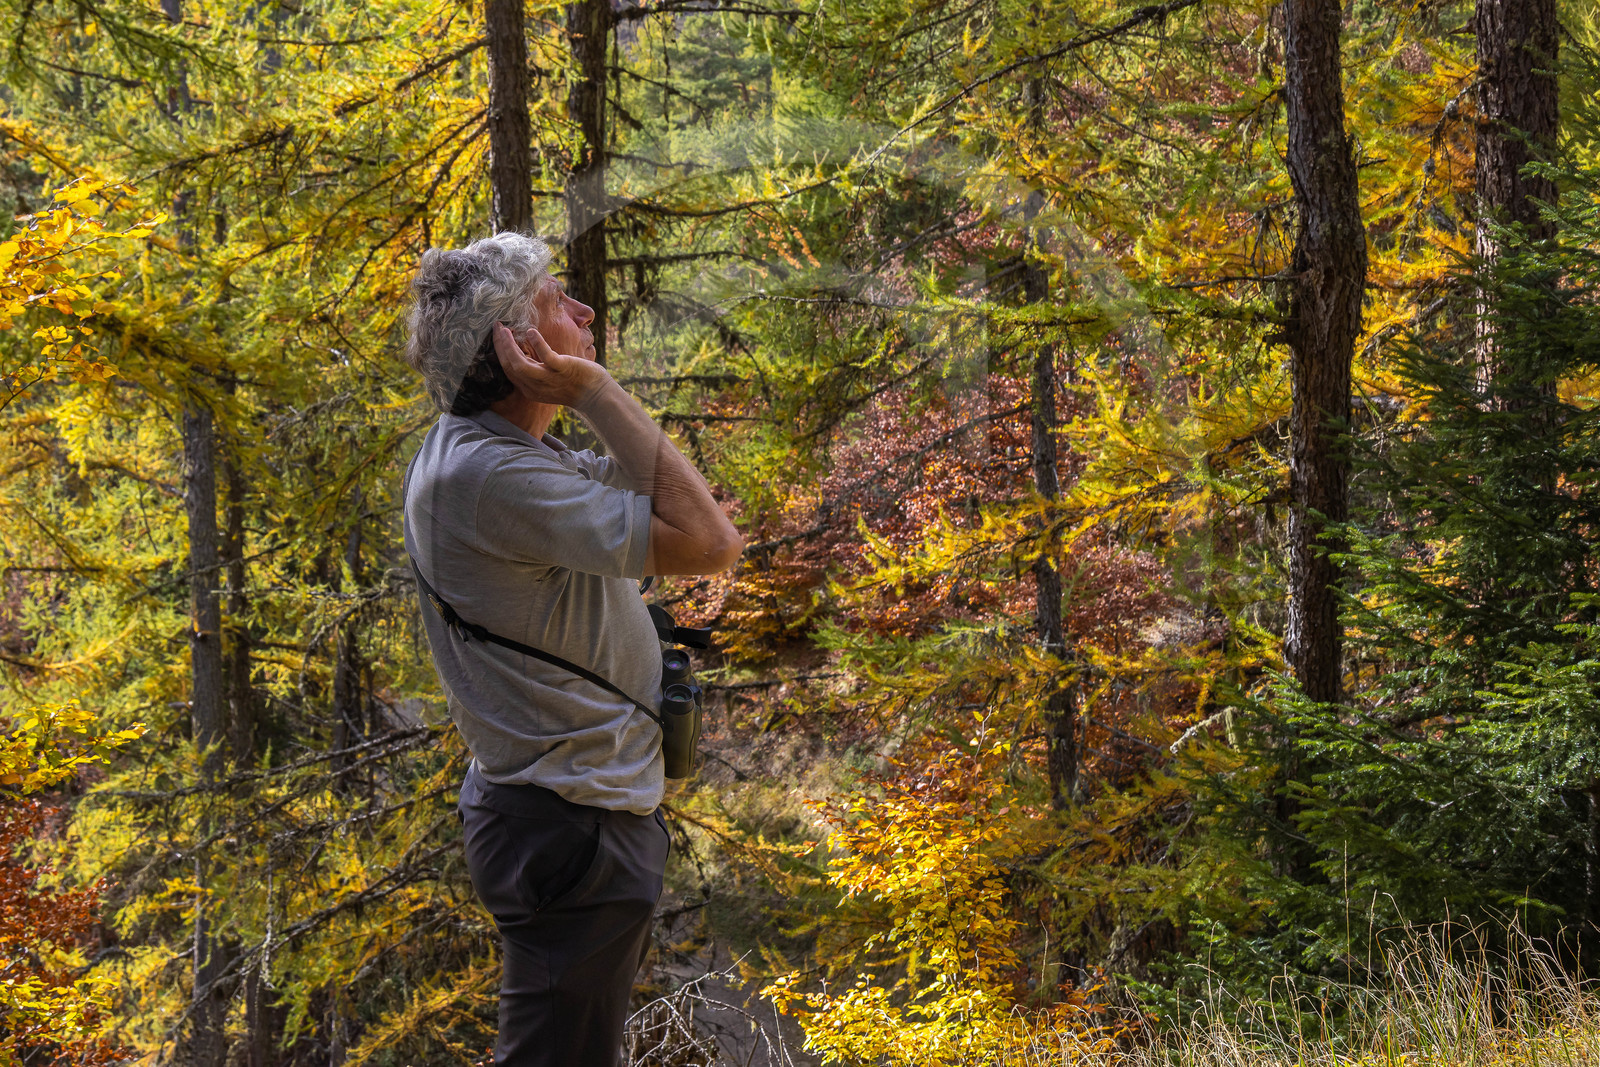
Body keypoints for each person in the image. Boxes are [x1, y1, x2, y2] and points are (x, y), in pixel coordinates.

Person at [400, 232, 743, 1066]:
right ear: (519, 348)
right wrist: (593, 388)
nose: (586, 310)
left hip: (569, 817)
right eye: (559, 299)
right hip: (568, 824)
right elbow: (710, 540)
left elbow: (654, 489)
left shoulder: (512, 457)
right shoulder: (487, 479)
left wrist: (590, 398)